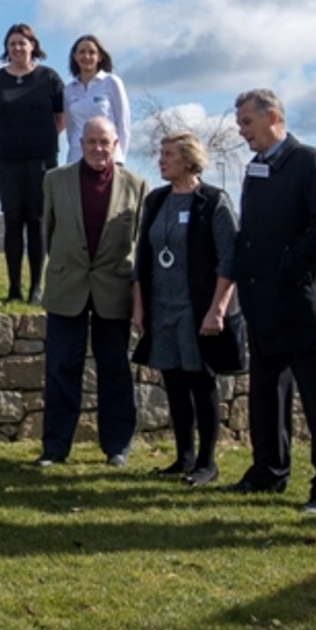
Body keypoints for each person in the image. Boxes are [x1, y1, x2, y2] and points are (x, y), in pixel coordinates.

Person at [231, 88, 316, 513]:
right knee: (266, 396)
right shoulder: (256, 169)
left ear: (274, 117)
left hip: (302, 305)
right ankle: (268, 471)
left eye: (247, 121)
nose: (241, 130)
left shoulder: (310, 162)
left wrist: (289, 268)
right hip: (263, 306)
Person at [132, 130, 243, 485]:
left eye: (169, 154)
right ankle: (184, 457)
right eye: (160, 154)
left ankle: (207, 464)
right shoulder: (157, 200)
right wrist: (139, 306)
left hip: (198, 308)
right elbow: (142, 258)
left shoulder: (212, 201)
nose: (161, 160)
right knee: (174, 382)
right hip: (162, 307)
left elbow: (230, 258)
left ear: (189, 159)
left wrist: (218, 308)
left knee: (200, 380)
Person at [36, 116, 147, 467]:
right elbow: (47, 232)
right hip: (67, 287)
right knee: (60, 369)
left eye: (105, 143)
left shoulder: (137, 185)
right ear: (80, 144)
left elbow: (139, 244)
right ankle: (55, 448)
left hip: (113, 290)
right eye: (92, 142)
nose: (99, 149)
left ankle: (117, 447)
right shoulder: (55, 180)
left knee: (114, 370)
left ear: (116, 145)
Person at [0, 22, 65, 304]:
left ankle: (36, 288)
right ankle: (14, 289)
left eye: (22, 43)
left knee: (37, 218)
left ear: (33, 46)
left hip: (41, 158)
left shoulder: (49, 78)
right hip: (5, 160)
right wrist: (9, 138)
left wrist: (39, 139)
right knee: (13, 218)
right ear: (7, 48)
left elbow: (60, 118)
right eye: (12, 43)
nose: (17, 48)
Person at [63, 34, 131, 163]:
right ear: (75, 57)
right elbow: (70, 130)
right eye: (82, 52)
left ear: (99, 57)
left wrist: (120, 157)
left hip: (108, 157)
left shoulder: (112, 82)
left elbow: (123, 124)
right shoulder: (69, 90)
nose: (86, 56)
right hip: (77, 157)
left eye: (92, 52)